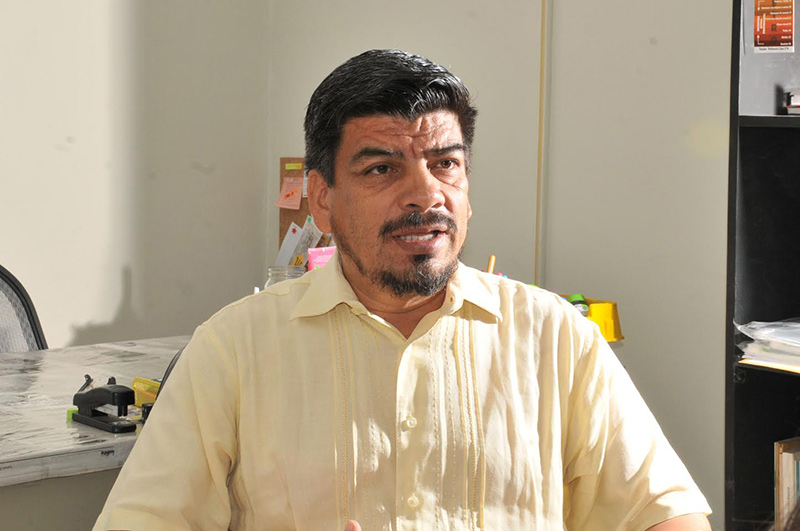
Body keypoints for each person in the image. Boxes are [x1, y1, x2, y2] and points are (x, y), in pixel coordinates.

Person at [94, 49, 712, 530]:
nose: (426, 194)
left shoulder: (555, 337)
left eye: (446, 164)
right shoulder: (232, 350)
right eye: (382, 168)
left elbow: (664, 513)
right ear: (322, 199)